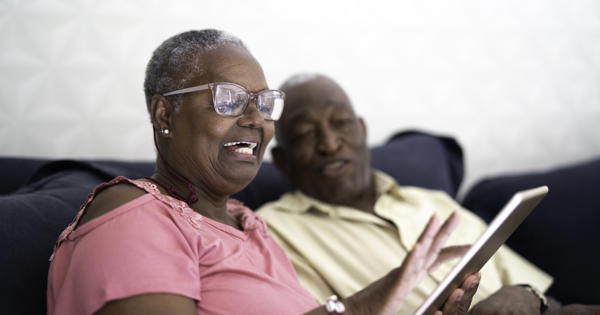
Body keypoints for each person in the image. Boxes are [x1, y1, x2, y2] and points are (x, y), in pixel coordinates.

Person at [46, 30, 479, 315]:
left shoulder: (249, 225)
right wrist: (362, 307)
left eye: (264, 102)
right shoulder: (135, 216)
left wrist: (383, 301)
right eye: (230, 98)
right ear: (165, 114)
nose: (256, 118)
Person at [257, 73, 558, 314]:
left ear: (362, 131)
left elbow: (548, 297)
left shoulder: (432, 201)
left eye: (341, 123)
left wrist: (527, 295)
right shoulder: (271, 233)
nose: (330, 143)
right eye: (305, 133)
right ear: (283, 161)